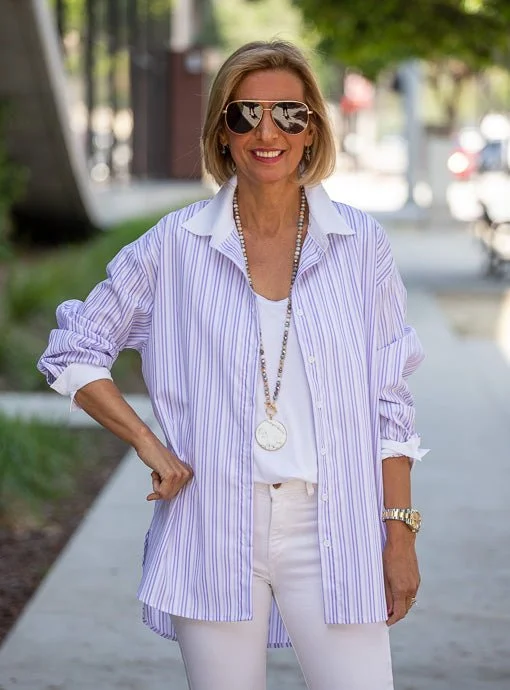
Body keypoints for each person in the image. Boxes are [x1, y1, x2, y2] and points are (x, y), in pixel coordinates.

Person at [38, 40, 427, 690]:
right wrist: (149, 446)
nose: (267, 132)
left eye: (288, 114)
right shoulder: (175, 245)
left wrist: (401, 532)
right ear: (222, 131)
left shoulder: (362, 247)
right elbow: (74, 349)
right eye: (246, 115)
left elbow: (391, 404)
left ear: (314, 130)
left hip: (332, 524)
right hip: (213, 521)